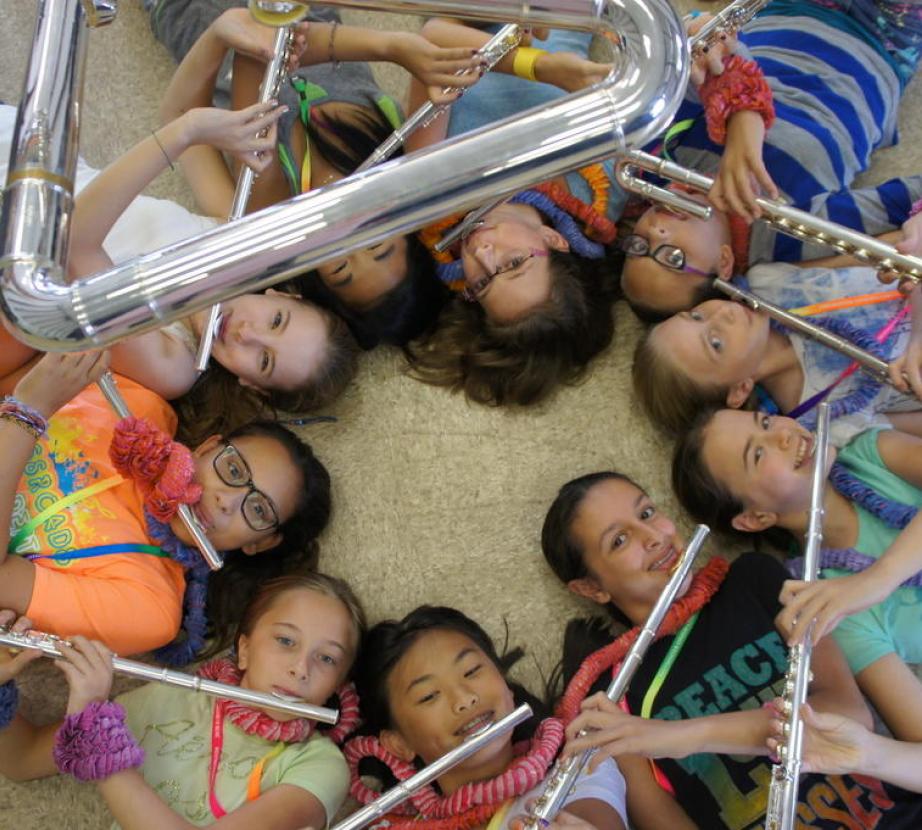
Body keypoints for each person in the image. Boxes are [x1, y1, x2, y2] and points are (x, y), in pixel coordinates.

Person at [541, 470, 922, 828]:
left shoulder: (752, 578)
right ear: (591, 589)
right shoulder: (609, 699)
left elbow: (850, 714)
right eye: (619, 541)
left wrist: (681, 736)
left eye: (647, 512)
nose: (653, 536)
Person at [151, 2, 482, 348]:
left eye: (340, 266)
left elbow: (259, 47)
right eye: (375, 243)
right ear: (401, 219)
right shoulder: (397, 151)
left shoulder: (274, 204)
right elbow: (439, 46)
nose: (346, 235)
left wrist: (390, 48)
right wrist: (398, 48)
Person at [0, 350, 331, 659]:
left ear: (260, 542)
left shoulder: (148, 609)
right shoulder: (140, 408)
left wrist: (28, 412)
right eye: (232, 469)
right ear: (206, 448)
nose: (226, 500)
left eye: (258, 510)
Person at [618, 0, 922, 318]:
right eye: (673, 257)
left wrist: (739, 114)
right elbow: (906, 196)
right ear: (724, 263)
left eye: (638, 247)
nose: (656, 233)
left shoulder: (660, 164)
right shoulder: (789, 234)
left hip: (784, 10)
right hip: (880, 39)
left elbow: (705, 43)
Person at [0, 572, 366, 829]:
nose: (301, 669)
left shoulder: (321, 766)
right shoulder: (170, 698)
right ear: (244, 649)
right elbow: (21, 759)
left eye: (327, 659)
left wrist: (96, 734)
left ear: (338, 682)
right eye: (285, 641)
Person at [672, 407, 922, 744]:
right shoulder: (826, 609)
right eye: (757, 454)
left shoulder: (871, 453)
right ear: (755, 518)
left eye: (766, 421)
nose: (784, 433)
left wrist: (878, 579)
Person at [345, 605, 628, 830]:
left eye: (471, 672)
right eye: (429, 696)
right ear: (398, 744)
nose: (465, 699)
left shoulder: (578, 767)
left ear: (505, 685)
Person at [632, 262, 922, 439]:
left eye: (696, 315)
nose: (723, 314)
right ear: (739, 390)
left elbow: (872, 250)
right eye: (716, 343)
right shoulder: (826, 421)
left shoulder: (765, 282)